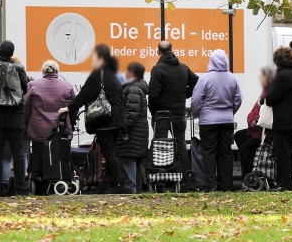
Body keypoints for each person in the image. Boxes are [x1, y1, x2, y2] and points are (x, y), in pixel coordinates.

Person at [63, 44, 128, 193]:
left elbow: (85, 94)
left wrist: (69, 108)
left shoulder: (98, 75)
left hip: (104, 120)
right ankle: (109, 185)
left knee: (109, 154)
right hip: (116, 120)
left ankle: (120, 184)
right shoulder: (114, 74)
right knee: (111, 153)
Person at [190, 49, 243, 191]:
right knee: (225, 153)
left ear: (211, 61)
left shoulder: (205, 79)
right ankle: (226, 186)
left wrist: (197, 113)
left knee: (209, 153)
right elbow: (238, 99)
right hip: (227, 121)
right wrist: (230, 112)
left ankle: (211, 186)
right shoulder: (233, 78)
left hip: (208, 122)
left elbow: (196, 100)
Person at [0, 40, 30, 196]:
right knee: (18, 153)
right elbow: (25, 88)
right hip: (15, 114)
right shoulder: (18, 68)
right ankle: (21, 189)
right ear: (12, 53)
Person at [146, 40, 199, 169]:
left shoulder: (158, 69)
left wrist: (154, 113)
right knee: (180, 145)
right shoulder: (183, 68)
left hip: (162, 115)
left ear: (158, 52)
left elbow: (153, 95)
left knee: (160, 145)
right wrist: (184, 94)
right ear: (172, 49)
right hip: (179, 114)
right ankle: (186, 177)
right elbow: (197, 82)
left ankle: (161, 178)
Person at [25, 59, 77, 181]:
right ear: (57, 71)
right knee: (61, 154)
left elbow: (26, 107)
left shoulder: (33, 85)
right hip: (61, 129)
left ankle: (38, 178)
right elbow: (73, 107)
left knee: (38, 153)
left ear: (43, 71)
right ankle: (61, 177)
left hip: (39, 130)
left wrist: (25, 123)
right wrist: (72, 124)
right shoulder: (67, 86)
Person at [264, 46, 292, 190]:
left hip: (281, 121)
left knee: (282, 154)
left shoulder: (283, 76)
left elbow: (271, 99)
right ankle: (287, 183)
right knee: (287, 153)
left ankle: (284, 184)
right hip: (289, 120)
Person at [116, 62, 150, 194]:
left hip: (132, 134)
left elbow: (131, 114)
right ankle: (136, 192)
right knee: (135, 162)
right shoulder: (138, 88)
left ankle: (131, 192)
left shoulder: (132, 89)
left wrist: (123, 129)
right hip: (139, 132)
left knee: (129, 160)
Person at [235, 66, 274, 177]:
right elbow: (252, 113)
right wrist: (252, 120)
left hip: (263, 133)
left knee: (245, 148)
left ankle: (248, 177)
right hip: (257, 130)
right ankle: (252, 165)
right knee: (238, 136)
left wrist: (254, 120)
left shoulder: (269, 94)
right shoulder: (265, 93)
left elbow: (263, 116)